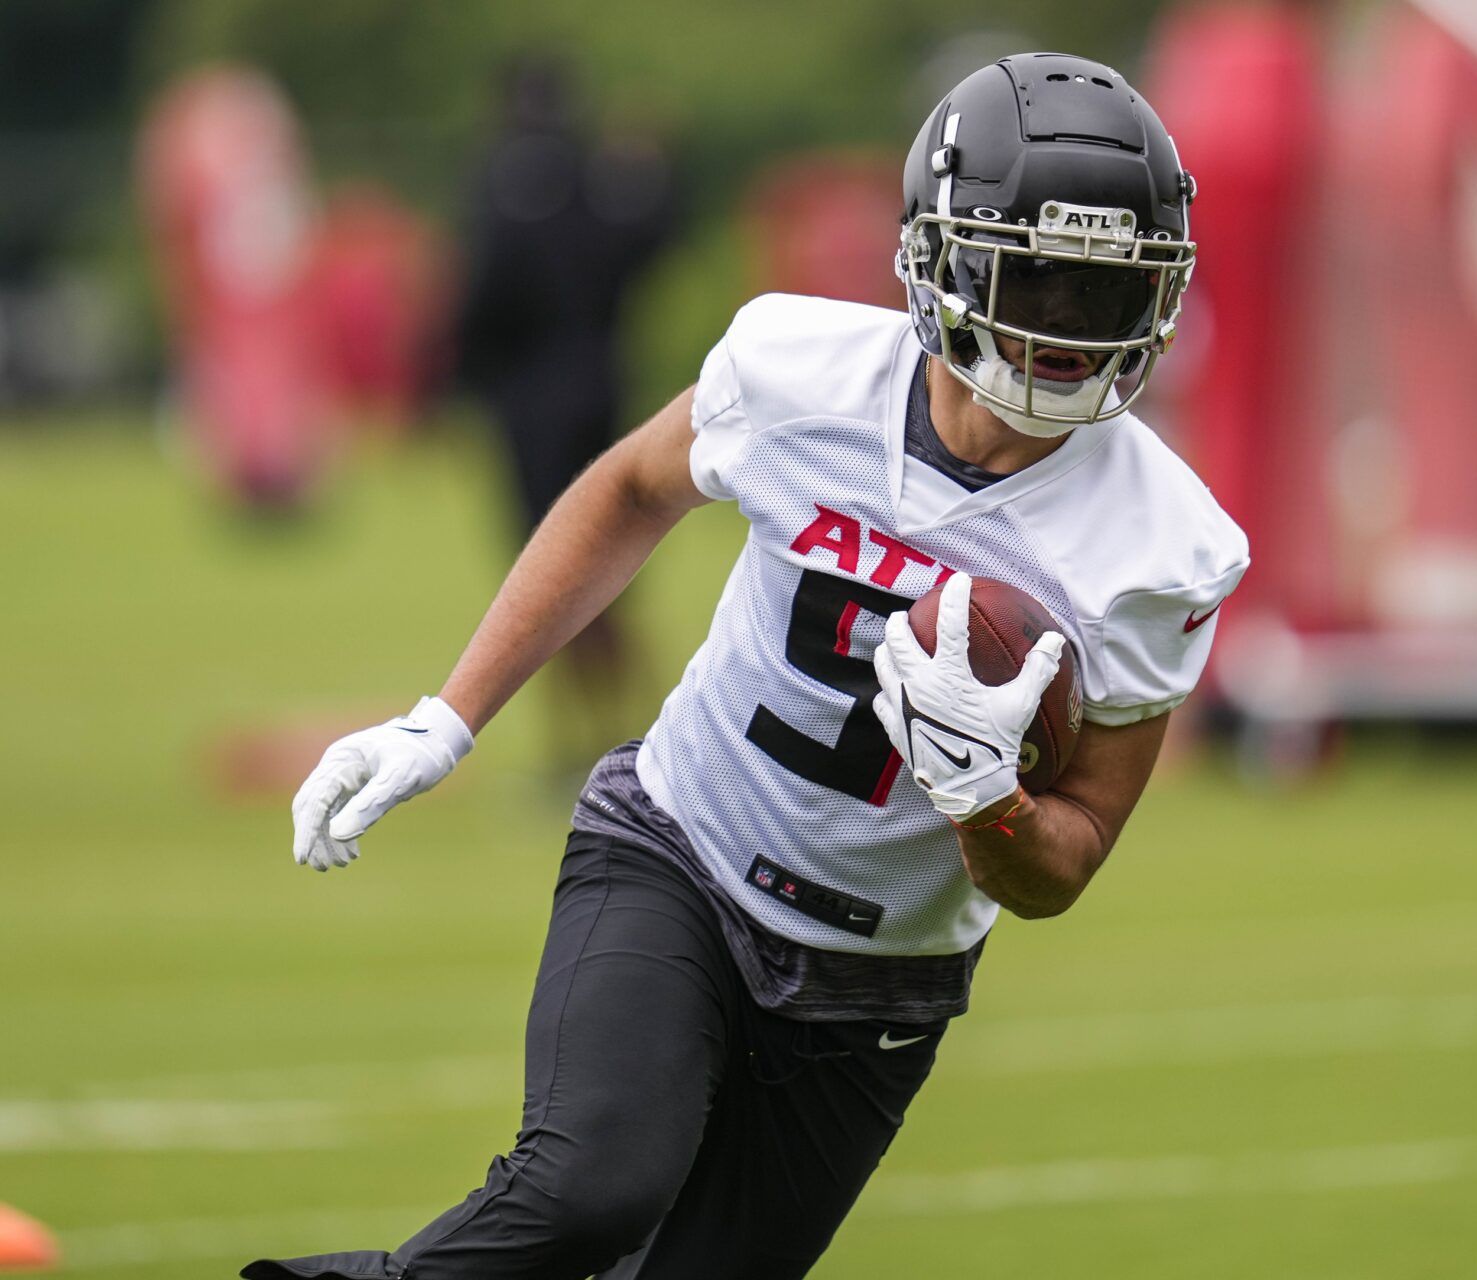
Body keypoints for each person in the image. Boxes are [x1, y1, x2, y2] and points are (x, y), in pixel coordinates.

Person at [244, 51, 1247, 1280]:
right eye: (1034, 273)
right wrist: (446, 718)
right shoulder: (800, 375)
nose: (1062, 328)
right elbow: (628, 488)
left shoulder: (1164, 541)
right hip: (682, 847)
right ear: (942, 254)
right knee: (585, 1190)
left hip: (882, 977)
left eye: (1103, 289)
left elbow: (1065, 862)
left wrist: (990, 797)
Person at [455, 55, 676, 769]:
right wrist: (652, 170)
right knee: (609, 567)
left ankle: (576, 744)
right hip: (602, 389)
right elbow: (648, 244)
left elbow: (482, 294)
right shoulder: (597, 179)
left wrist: (459, 374)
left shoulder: (500, 184)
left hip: (528, 401)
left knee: (545, 568)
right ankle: (634, 726)